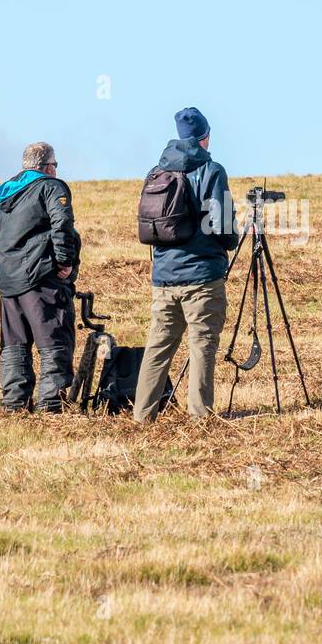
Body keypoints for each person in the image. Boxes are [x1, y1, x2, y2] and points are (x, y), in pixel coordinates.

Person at [133, 107, 238, 421]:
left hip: (164, 277)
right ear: (205, 137)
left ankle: (142, 416)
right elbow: (222, 225)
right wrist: (232, 239)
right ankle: (200, 418)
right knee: (202, 344)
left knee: (158, 346)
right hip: (201, 277)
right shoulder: (212, 171)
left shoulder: (157, 171)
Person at [0, 141, 81, 412]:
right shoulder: (52, 187)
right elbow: (63, 224)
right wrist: (64, 262)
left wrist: (8, 263)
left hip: (9, 282)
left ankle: (14, 405)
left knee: (14, 345)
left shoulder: (4, 193)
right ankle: (51, 406)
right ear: (48, 166)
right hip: (41, 280)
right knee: (53, 342)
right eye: (56, 165)